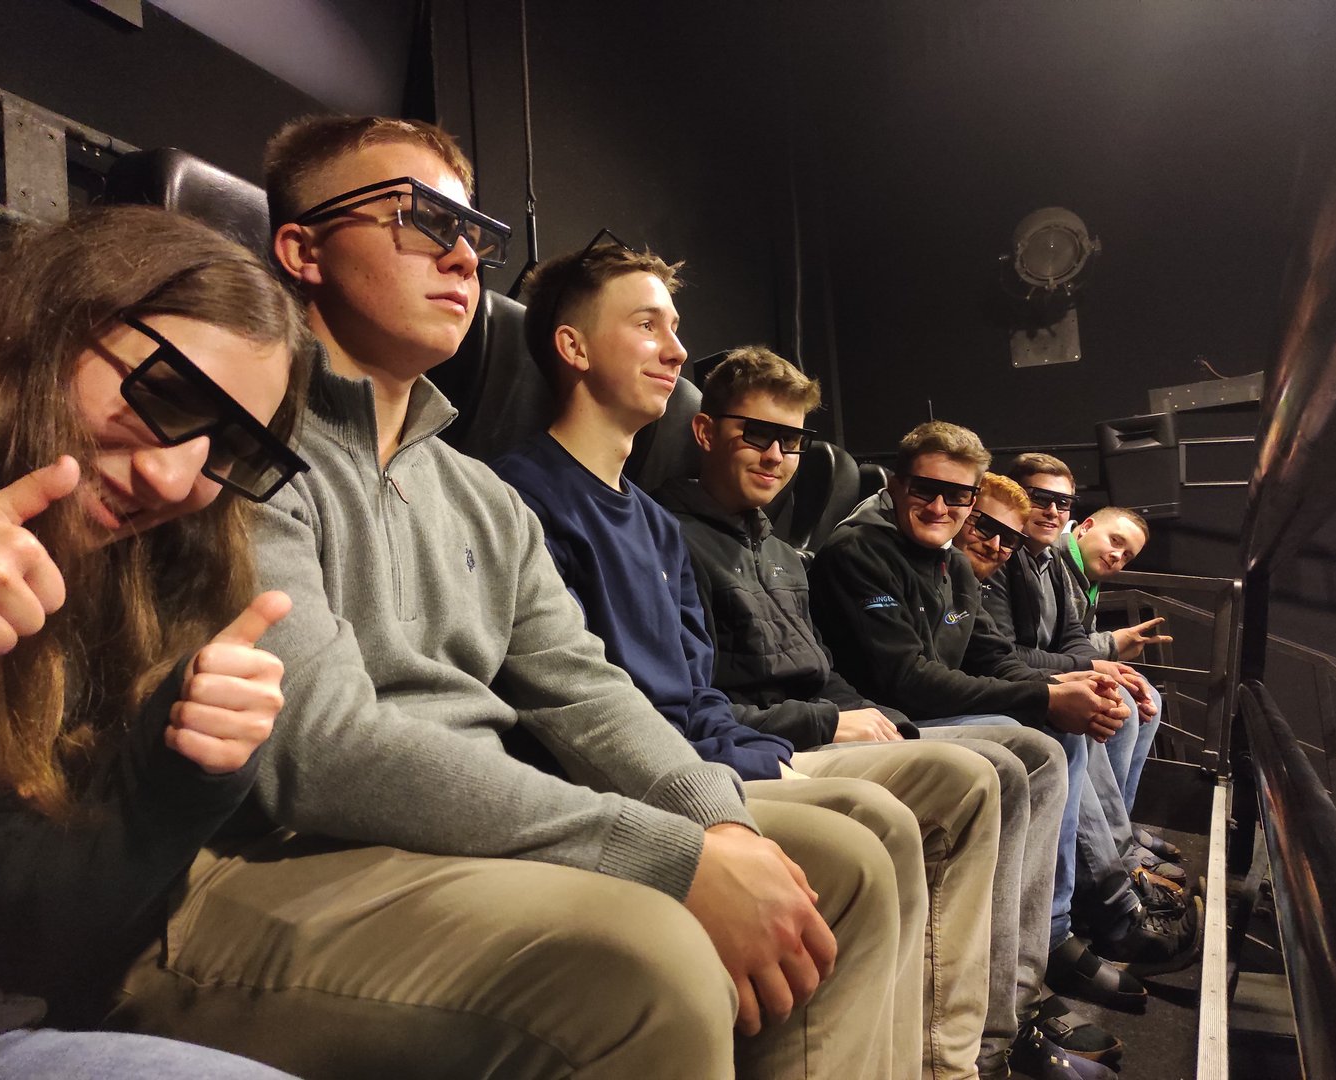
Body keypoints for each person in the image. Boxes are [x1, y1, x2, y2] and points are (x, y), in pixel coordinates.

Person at [115, 114, 907, 1080]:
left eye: (471, 232)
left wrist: (716, 820)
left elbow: (586, 689)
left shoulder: (481, 492)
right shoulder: (237, 449)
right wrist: (667, 855)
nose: (461, 256)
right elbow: (319, 753)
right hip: (273, 860)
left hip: (460, 834)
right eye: (419, 219)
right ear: (302, 250)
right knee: (643, 968)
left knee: (841, 868)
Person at [493, 243, 1002, 1080]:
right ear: (573, 346)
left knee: (956, 781)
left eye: (675, 328)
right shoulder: (521, 496)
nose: (675, 350)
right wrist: (780, 750)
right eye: (647, 325)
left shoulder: (649, 522)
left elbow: (696, 691)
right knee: (868, 836)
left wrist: (765, 749)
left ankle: (940, 1064)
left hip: (714, 751)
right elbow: (583, 705)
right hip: (634, 777)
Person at [657, 348, 1120, 1080]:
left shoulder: (780, 550)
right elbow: (707, 700)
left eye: (790, 441)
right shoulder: (715, 540)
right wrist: (847, 718)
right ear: (706, 432)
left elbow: (845, 671)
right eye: (758, 435)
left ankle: (1006, 1005)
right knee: (1015, 752)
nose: (775, 456)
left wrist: (1070, 678)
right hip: (773, 742)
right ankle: (980, 1036)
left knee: (1041, 742)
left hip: (851, 721)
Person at [0, 206, 310, 1078]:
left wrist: (184, 777)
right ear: (53, 326)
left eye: (232, 446)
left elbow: (41, 940)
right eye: (168, 394)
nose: (173, 476)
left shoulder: (127, 586)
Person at [808, 420, 1198, 1015]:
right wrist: (1046, 697)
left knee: (1091, 711)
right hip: (885, 717)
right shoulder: (858, 552)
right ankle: (1063, 933)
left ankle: (1068, 920)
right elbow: (907, 679)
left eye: (958, 497)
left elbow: (994, 657)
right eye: (927, 490)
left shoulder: (955, 566)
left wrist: (1071, 683)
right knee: (1044, 741)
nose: (944, 510)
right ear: (897, 486)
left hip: (921, 709)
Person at [994, 456, 1186, 892]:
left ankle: (1117, 833)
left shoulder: (1052, 563)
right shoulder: (1015, 556)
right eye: (1040, 499)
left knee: (1137, 700)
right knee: (1090, 714)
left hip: (1035, 671)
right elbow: (1005, 653)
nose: (1118, 556)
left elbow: (1073, 638)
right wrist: (1101, 661)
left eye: (1061, 502)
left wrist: (1102, 668)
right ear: (1083, 528)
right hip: (1014, 680)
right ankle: (1106, 865)